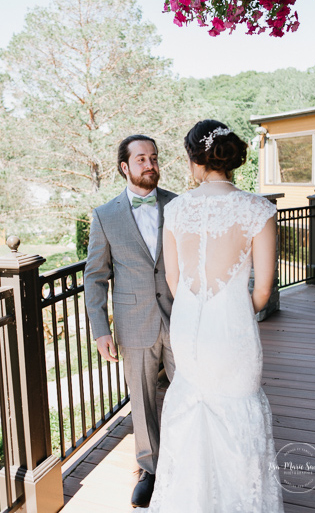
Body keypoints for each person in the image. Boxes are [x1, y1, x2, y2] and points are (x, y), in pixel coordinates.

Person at [148, 120, 284, 513]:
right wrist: (237, 314)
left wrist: (198, 309)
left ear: (195, 161)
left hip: (188, 329)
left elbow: (174, 279)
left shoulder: (174, 210)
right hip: (232, 333)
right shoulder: (259, 209)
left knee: (190, 413)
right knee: (237, 419)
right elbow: (262, 290)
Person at [84, 135, 178, 509]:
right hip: (133, 319)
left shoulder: (178, 205)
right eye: (141, 159)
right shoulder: (105, 215)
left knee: (191, 390)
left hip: (180, 317)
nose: (150, 164)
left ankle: (188, 458)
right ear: (125, 167)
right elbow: (95, 276)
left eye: (153, 158)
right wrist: (100, 329)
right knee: (141, 400)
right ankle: (150, 469)